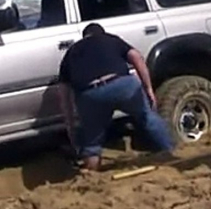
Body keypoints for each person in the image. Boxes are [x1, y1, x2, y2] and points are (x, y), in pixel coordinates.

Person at [57, 23, 174, 171]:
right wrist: (148, 88)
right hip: (122, 86)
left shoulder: (71, 52)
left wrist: (70, 125)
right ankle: (170, 153)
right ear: (101, 33)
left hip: (91, 94)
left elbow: (63, 92)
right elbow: (136, 57)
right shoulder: (110, 39)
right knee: (147, 117)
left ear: (84, 36)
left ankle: (92, 176)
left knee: (92, 142)